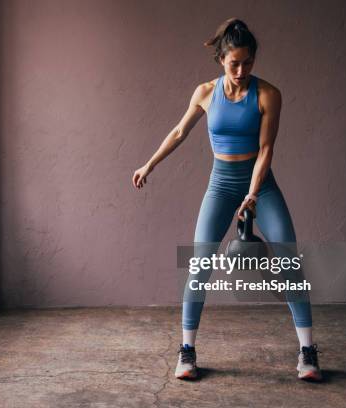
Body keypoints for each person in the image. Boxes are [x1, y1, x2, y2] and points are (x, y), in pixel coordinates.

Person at [132, 18, 322, 381]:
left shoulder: (268, 94)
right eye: (234, 63)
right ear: (221, 59)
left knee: (288, 260)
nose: (241, 70)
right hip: (220, 186)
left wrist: (252, 193)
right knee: (200, 264)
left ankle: (308, 353)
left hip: (260, 186)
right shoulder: (205, 92)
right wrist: (149, 164)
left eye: (248, 63)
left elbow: (266, 149)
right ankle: (186, 352)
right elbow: (178, 131)